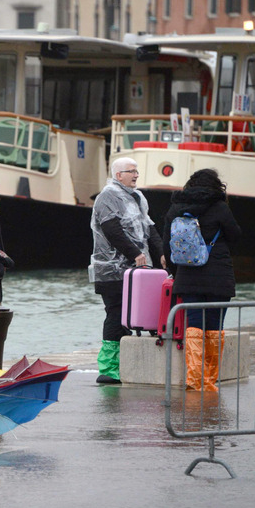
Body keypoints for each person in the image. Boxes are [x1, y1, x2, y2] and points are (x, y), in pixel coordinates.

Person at [162, 168, 241, 392]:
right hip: (219, 277)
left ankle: (194, 379)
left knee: (194, 327)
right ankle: (209, 381)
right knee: (215, 328)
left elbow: (168, 246)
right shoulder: (220, 207)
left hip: (188, 276)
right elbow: (235, 235)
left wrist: (177, 273)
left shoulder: (175, 208)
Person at [89, 157, 165, 384]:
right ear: (118, 175)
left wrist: (161, 252)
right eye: (130, 171)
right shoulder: (107, 197)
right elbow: (111, 229)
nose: (136, 175)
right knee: (116, 312)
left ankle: (128, 364)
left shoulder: (138, 197)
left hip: (137, 269)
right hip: (112, 270)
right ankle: (109, 368)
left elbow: (149, 227)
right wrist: (135, 253)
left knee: (138, 313)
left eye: (136, 171)